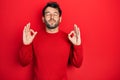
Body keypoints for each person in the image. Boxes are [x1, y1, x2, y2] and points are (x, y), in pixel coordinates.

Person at [19, 1, 83, 80]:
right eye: (48, 14)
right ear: (43, 19)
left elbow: (77, 64)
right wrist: (26, 44)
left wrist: (78, 45)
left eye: (55, 14)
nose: (52, 17)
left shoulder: (69, 38)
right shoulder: (34, 37)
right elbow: (23, 63)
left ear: (60, 19)